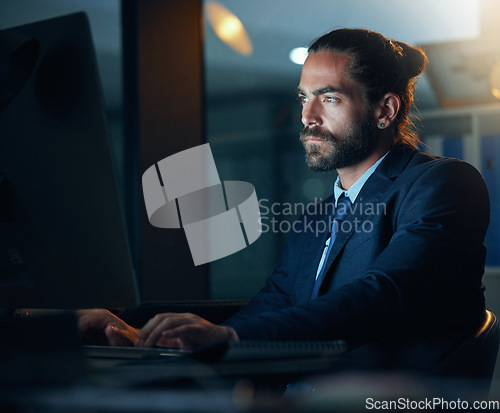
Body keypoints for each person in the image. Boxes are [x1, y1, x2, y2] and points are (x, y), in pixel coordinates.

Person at [79, 28, 490, 371]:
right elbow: (266, 312)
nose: (308, 116)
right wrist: (145, 336)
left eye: (329, 97)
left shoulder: (442, 183)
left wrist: (230, 337)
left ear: (385, 110)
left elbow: (384, 294)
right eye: (303, 97)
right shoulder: (316, 219)